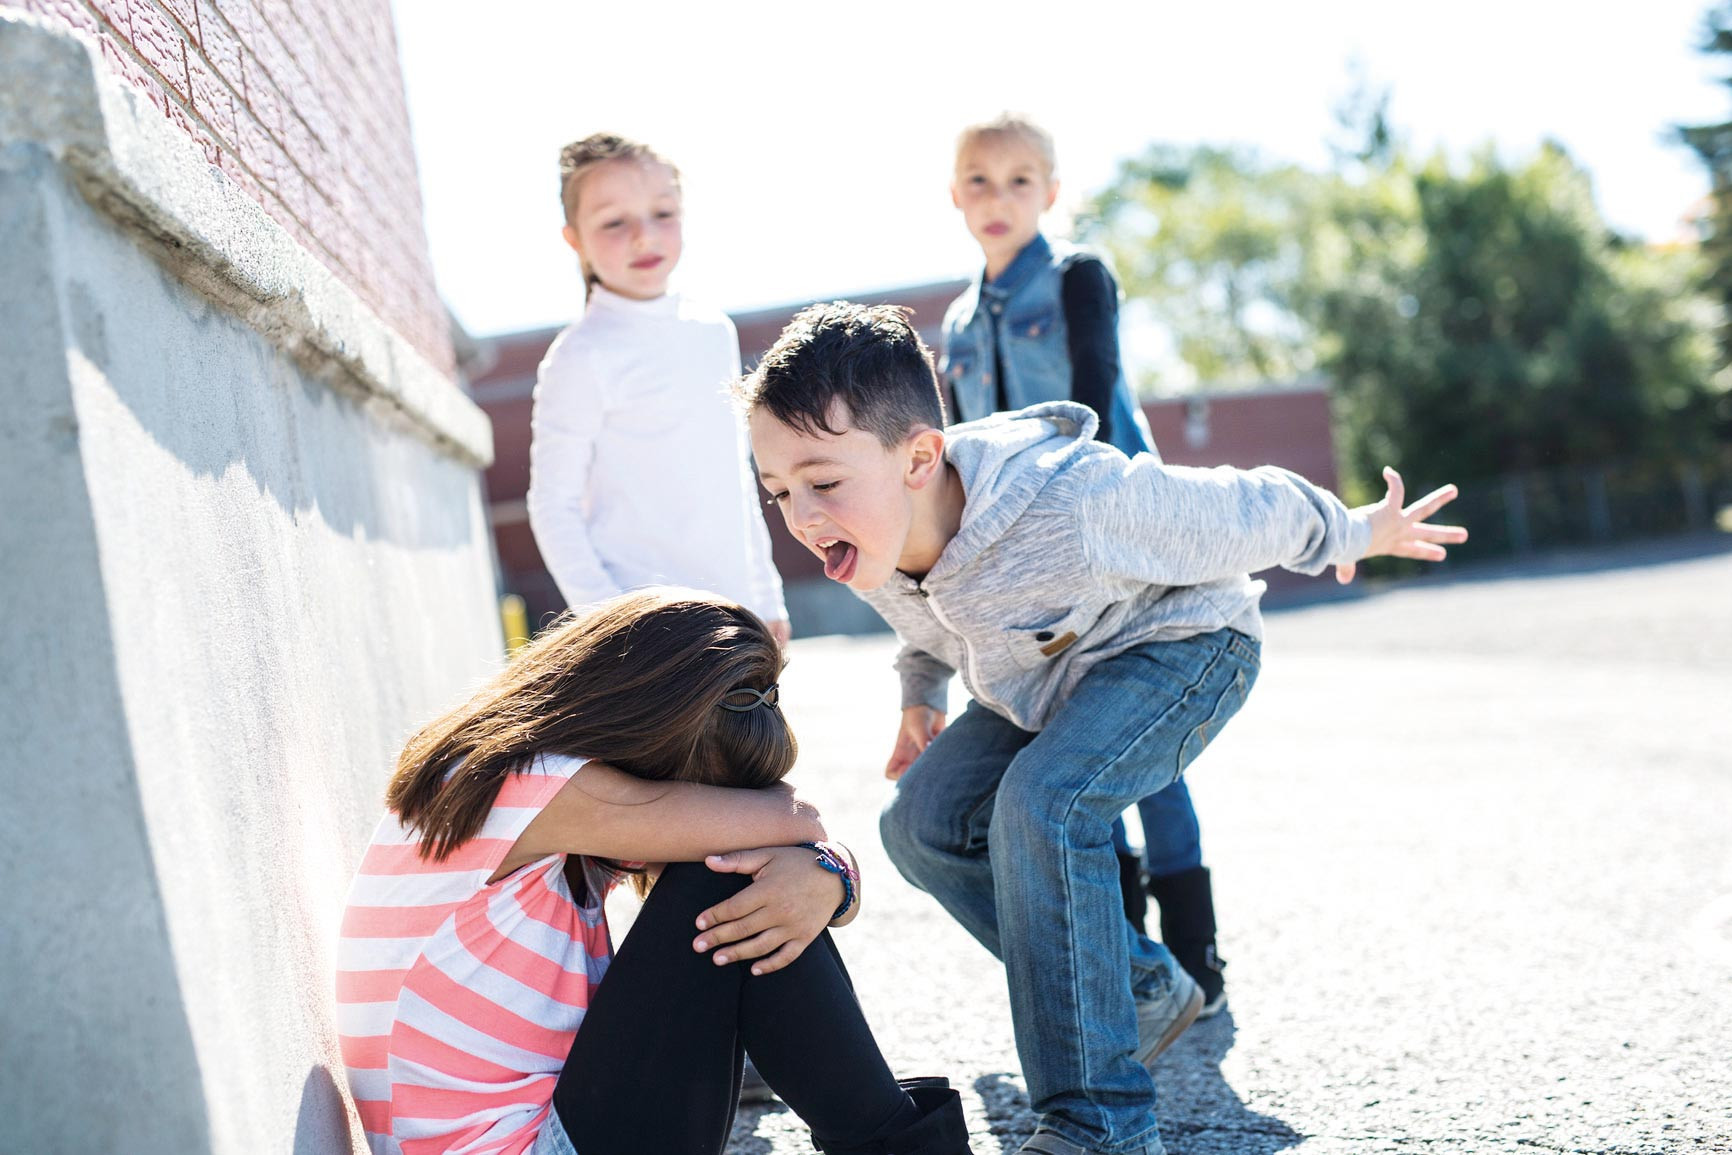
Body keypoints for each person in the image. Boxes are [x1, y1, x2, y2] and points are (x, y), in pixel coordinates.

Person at [735, 303, 1465, 1155]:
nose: (801, 515)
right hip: (1045, 682)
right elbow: (925, 623)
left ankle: (1104, 1124)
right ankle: (1139, 985)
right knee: (919, 825)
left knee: (1042, 804)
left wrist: (1355, 530)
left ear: (920, 459)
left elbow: (1247, 505)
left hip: (1185, 647)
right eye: (778, 491)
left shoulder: (1075, 502)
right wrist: (919, 694)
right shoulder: (875, 534)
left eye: (822, 482)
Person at [335, 589, 973, 1155]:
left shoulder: (534, 797)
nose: (704, 813)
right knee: (728, 877)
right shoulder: (524, 785)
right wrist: (821, 864)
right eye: (700, 793)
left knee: (749, 880)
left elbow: (799, 837)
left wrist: (829, 875)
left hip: (546, 1129)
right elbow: (797, 819)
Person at [939, 113, 1223, 1012]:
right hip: (1026, 564)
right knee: (1074, 747)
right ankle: (1135, 962)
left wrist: (1095, 513)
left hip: (1117, 538)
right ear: (954, 195)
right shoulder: (956, 321)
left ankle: (1197, 954)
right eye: (979, 180)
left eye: (1020, 180)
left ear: (1051, 192)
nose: (999, 197)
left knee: (1148, 750)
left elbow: (1096, 392)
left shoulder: (1076, 276)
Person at [526, 132, 790, 647]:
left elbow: (735, 477)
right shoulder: (581, 355)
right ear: (574, 239)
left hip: (738, 616)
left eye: (662, 213)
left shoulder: (714, 331)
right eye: (614, 222)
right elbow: (553, 505)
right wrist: (611, 622)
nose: (644, 236)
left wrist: (767, 595)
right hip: (648, 634)